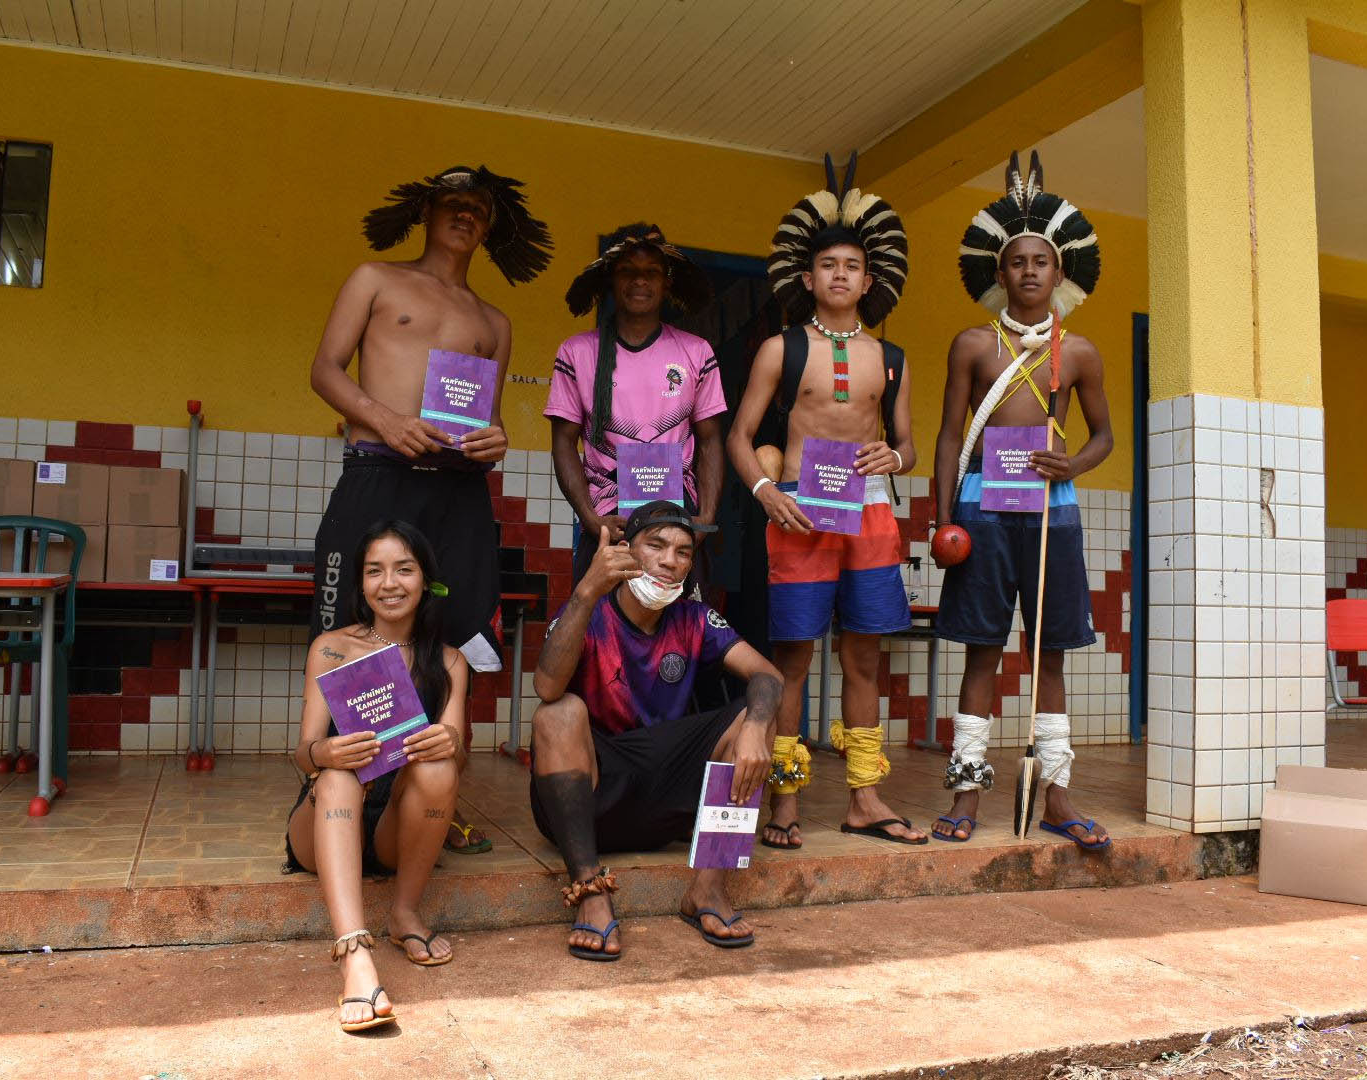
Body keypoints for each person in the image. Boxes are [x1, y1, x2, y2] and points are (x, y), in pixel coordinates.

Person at [308, 164, 552, 855]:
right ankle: (336, 798)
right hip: (377, 472)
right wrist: (386, 421)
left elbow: (490, 422)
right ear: (427, 211)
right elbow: (325, 369)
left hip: (457, 491)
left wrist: (497, 440)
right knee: (355, 628)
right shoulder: (375, 280)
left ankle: (433, 803)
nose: (465, 214)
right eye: (453, 203)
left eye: (479, 208)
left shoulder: (494, 323)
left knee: (455, 633)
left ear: (490, 226)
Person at [725, 158, 925, 848]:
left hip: (869, 515)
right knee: (795, 658)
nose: (840, 275)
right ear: (808, 278)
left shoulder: (891, 356)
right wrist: (763, 491)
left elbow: (909, 445)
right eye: (828, 265)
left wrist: (894, 458)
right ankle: (785, 799)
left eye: (852, 266)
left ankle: (864, 797)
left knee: (864, 659)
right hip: (803, 513)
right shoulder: (782, 349)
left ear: (869, 281)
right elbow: (740, 436)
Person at [931, 151, 1114, 850]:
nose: (1030, 271)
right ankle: (966, 791)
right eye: (1017, 262)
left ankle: (1057, 795)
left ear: (1059, 272)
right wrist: (943, 516)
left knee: (1051, 654)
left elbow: (1103, 438)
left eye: (1042, 261)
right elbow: (950, 434)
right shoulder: (973, 344)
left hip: (1050, 513)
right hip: (981, 508)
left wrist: (1073, 462)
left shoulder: (1082, 353)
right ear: (998, 273)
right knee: (982, 652)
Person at [528, 501, 781, 960]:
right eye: (656, 545)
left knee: (759, 710)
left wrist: (755, 728)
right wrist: (586, 591)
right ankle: (590, 891)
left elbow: (767, 675)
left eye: (684, 552)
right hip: (591, 799)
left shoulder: (695, 618)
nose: (670, 561)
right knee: (556, 713)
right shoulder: (589, 610)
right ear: (626, 551)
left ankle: (707, 887)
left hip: (665, 796)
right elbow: (545, 686)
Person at [284, 521, 469, 1033]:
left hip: (396, 823)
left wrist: (448, 742)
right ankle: (356, 958)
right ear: (361, 584)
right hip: (325, 817)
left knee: (439, 766)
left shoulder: (449, 661)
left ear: (426, 580)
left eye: (404, 569)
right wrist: (324, 750)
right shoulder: (332, 647)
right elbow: (302, 752)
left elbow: (457, 749)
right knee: (337, 776)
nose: (389, 583)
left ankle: (404, 912)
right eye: (375, 571)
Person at [547, 223, 723, 583]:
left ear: (667, 282)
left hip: (677, 520)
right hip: (609, 523)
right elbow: (563, 441)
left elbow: (710, 440)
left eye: (651, 273)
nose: (639, 281)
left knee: (677, 631)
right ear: (612, 278)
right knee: (600, 630)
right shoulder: (577, 352)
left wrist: (704, 518)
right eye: (628, 271)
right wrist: (590, 518)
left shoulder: (697, 351)